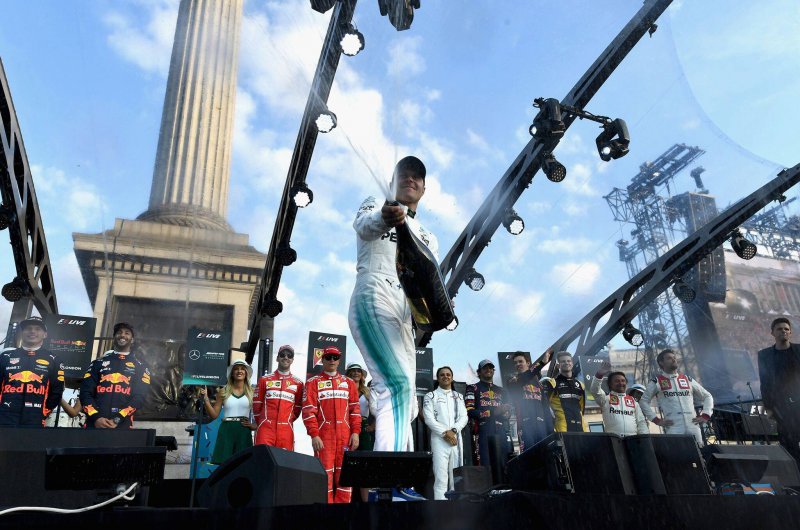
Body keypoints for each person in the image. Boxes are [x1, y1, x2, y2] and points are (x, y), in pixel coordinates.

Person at [348, 156, 438, 452]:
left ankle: (399, 471)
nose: (410, 179)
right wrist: (385, 217)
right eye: (404, 174)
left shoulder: (428, 236)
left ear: (423, 188)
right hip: (374, 294)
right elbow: (363, 226)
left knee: (408, 399)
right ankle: (390, 472)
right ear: (391, 183)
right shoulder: (376, 203)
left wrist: (439, 308)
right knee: (396, 385)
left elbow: (429, 283)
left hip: (404, 316)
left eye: (417, 176)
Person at [302, 347, 361, 503]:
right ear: (322, 359)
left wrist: (355, 433)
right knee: (324, 475)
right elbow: (308, 412)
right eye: (328, 357)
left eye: (335, 357)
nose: (332, 360)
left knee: (345, 477)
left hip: (345, 437)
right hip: (324, 436)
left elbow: (355, 411)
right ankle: (325, 512)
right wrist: (314, 435)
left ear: (339, 360)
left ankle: (342, 513)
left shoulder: (348, 383)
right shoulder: (313, 382)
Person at [80, 322, 150, 429]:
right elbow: (85, 393)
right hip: (94, 424)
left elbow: (139, 398)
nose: (122, 335)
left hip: (122, 425)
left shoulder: (141, 367)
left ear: (132, 340)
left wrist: (117, 419)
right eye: (119, 332)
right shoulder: (97, 363)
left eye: (127, 333)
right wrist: (96, 418)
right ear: (114, 337)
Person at [0, 316, 64, 427]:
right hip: (4, 418)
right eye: (28, 328)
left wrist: (44, 412)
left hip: (35, 420)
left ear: (45, 334)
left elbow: (57, 390)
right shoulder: (5, 356)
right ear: (22, 332)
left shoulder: (54, 359)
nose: (32, 331)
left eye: (37, 329)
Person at [639, 349, 713, 444]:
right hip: (673, 427)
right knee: (677, 453)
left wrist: (706, 415)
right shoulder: (656, 382)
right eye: (669, 358)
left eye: (674, 357)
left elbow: (707, 396)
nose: (674, 360)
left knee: (699, 452)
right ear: (661, 363)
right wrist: (656, 420)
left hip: (693, 426)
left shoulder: (687, 379)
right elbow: (643, 401)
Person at [758, 317, 800, 462]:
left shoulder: (798, 350)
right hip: (782, 408)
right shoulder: (764, 355)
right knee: (789, 446)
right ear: (773, 333)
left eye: (786, 329)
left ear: (790, 332)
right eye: (780, 329)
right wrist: (769, 408)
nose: (783, 331)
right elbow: (765, 383)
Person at [423, 366, 468, 500]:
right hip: (439, 440)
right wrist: (445, 433)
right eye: (442, 375)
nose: (445, 377)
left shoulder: (459, 396)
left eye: (448, 374)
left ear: (452, 378)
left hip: (455, 439)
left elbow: (464, 417)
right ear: (438, 378)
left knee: (457, 477)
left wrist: (453, 431)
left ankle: (457, 507)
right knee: (441, 477)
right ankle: (440, 507)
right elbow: (428, 419)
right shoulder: (431, 396)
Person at [200, 359, 257, 464]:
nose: (239, 371)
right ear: (232, 373)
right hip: (226, 429)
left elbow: (261, 412)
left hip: (243, 430)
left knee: (243, 464)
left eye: (242, 369)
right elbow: (214, 415)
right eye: (236, 369)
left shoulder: (253, 392)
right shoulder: (223, 391)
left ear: (246, 373)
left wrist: (255, 425)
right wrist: (206, 400)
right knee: (224, 464)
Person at [253, 345, 303, 450]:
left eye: (289, 355)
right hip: (266, 428)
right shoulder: (264, 380)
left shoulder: (298, 383)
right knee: (262, 457)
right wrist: (263, 422)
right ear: (277, 358)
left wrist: (286, 420)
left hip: (286, 430)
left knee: (285, 459)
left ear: (292, 360)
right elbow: (257, 406)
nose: (286, 357)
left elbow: (297, 408)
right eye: (282, 355)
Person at [465, 359, 511, 467]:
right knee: (486, 465)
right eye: (485, 368)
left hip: (501, 430)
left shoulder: (502, 390)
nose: (488, 370)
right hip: (483, 430)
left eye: (490, 368)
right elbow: (469, 411)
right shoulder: (472, 388)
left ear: (494, 371)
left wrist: (506, 414)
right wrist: (492, 412)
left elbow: (508, 412)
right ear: (479, 372)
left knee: (503, 465)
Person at [506, 350, 554, 452]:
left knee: (546, 455)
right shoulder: (512, 380)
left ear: (528, 363)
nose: (517, 364)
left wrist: (550, 430)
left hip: (542, 425)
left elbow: (545, 406)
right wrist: (542, 363)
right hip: (525, 425)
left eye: (520, 361)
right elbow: (525, 377)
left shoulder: (538, 382)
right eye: (515, 363)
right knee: (530, 456)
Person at [590, 360, 648, 436]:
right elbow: (595, 390)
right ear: (610, 384)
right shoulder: (605, 399)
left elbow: (641, 422)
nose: (621, 383)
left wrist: (644, 438)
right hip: (613, 439)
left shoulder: (633, 401)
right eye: (617, 381)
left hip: (632, 439)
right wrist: (600, 374)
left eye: (623, 381)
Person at [541, 351, 587, 432]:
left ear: (572, 363)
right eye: (563, 361)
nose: (566, 363)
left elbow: (581, 408)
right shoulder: (552, 383)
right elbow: (544, 407)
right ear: (558, 365)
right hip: (563, 428)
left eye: (568, 361)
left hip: (582, 428)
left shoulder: (580, 385)